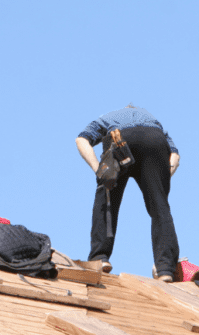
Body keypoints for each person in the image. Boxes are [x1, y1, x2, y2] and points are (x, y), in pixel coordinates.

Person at [75, 105, 181, 280]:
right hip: (153, 140)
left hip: (119, 139)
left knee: (107, 198)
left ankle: (99, 258)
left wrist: (99, 172)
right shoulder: (154, 122)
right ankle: (165, 269)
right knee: (160, 207)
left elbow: (81, 139)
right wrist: (159, 183)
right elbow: (175, 157)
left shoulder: (107, 117)